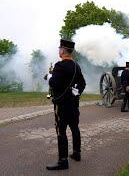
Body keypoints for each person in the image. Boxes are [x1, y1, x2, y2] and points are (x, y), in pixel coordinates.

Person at [47, 39, 86, 170]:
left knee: (61, 131)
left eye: (59, 49)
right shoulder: (76, 66)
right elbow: (82, 84)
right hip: (74, 104)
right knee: (75, 128)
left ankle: (63, 161)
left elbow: (54, 83)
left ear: (63, 51)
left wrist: (49, 77)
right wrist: (76, 93)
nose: (58, 51)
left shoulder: (59, 66)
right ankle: (77, 153)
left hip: (62, 105)